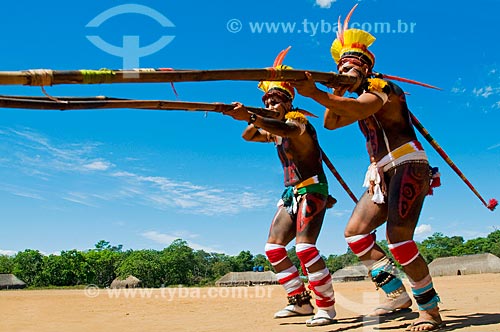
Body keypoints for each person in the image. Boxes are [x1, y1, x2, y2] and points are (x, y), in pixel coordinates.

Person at [291, 5, 444, 332]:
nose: (346, 68)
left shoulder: (381, 88)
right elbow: (332, 122)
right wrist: (334, 89)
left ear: (366, 67)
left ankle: (430, 311)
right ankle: (396, 295)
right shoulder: (351, 94)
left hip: (407, 162)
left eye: (352, 64)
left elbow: (359, 107)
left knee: (398, 238)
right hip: (381, 173)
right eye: (341, 65)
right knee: (356, 234)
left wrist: (315, 93)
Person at [223, 50, 337, 327]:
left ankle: (327, 308)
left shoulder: (299, 122)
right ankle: (299, 302)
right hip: (290, 195)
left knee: (305, 249)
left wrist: (253, 116)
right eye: (267, 100)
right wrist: (252, 115)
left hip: (311, 189)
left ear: (288, 102)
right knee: (273, 249)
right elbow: (248, 136)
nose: (271, 103)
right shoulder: (272, 128)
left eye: (277, 100)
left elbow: (286, 130)